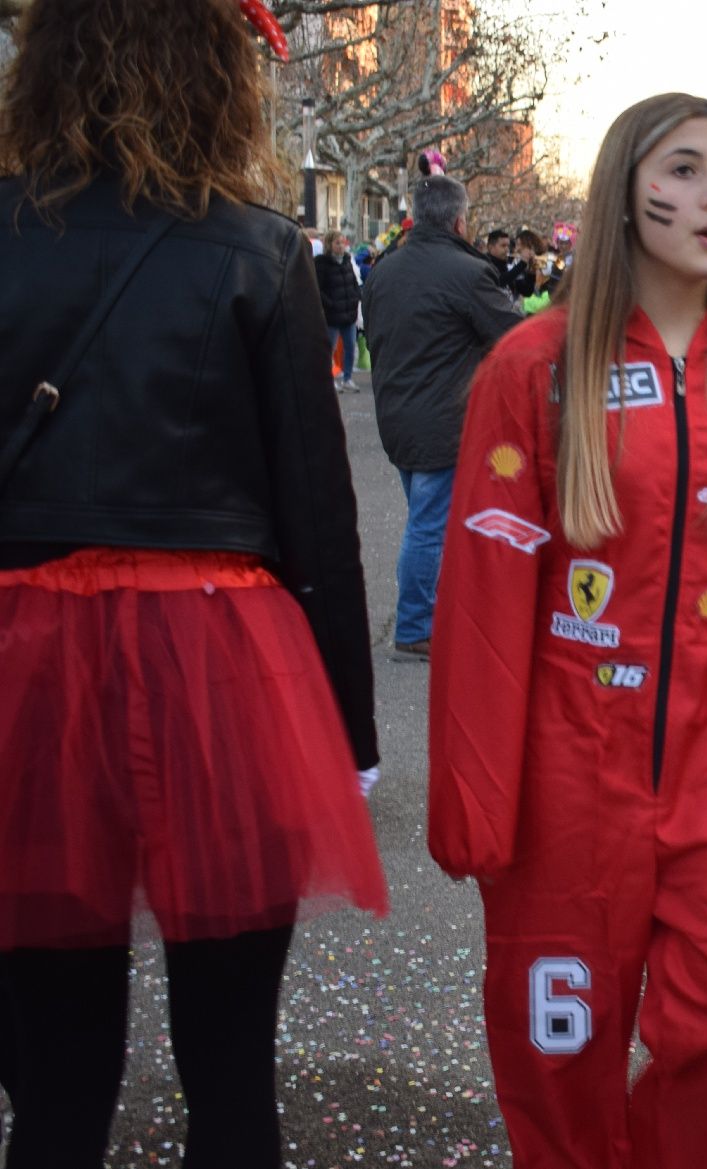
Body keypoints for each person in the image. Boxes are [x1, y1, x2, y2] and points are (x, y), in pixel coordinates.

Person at [426, 93, 707, 1169]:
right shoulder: (533, 368)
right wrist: (476, 791)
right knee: (559, 1048)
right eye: (683, 171)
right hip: (565, 769)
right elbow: (485, 600)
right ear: (625, 192)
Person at [0, 1, 388, 1164]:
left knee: (56, 1091)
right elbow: (316, 515)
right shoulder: (258, 247)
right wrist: (348, 729)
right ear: (216, 73)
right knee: (231, 1076)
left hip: (24, 660)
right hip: (219, 659)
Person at [361, 172, 522, 658]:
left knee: (428, 521)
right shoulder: (466, 272)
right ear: (459, 220)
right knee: (431, 526)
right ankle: (414, 627)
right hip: (443, 418)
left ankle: (432, 614)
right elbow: (514, 338)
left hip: (399, 414)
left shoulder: (386, 269)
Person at [315, 230, 363, 391]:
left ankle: (347, 378)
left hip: (349, 313)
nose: (341, 246)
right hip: (332, 315)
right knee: (330, 348)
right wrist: (330, 303)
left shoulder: (348, 261)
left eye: (343, 242)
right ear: (329, 245)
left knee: (350, 347)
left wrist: (356, 296)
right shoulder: (321, 263)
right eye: (337, 243)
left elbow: (353, 282)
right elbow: (317, 288)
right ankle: (329, 379)